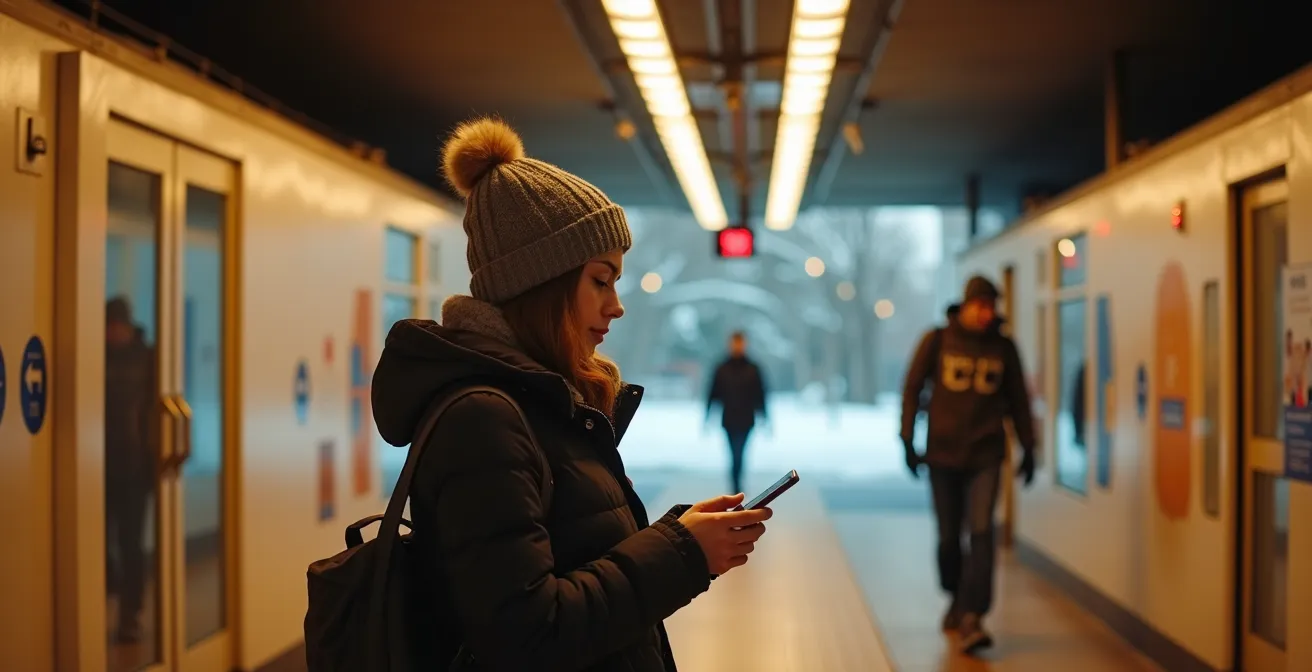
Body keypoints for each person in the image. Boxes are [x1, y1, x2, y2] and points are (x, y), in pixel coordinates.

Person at [371, 117, 773, 671]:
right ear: (542, 282)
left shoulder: (545, 404)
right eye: (600, 280)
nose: (616, 305)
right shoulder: (486, 421)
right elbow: (528, 633)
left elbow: (577, 558)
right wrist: (683, 555)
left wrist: (678, 534)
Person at [899, 275, 1037, 654]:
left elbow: (1019, 401)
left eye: (992, 307)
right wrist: (907, 439)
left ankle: (974, 615)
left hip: (985, 455)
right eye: (980, 305)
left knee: (980, 532)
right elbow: (912, 388)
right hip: (942, 454)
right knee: (948, 539)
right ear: (966, 304)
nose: (986, 313)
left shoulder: (1004, 347)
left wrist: (1030, 447)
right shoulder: (938, 340)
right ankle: (956, 596)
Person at [104, 296, 156, 642]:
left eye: (117, 327)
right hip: (101, 467)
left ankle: (130, 614)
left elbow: (155, 409)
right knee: (101, 542)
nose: (113, 334)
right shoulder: (97, 357)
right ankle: (111, 596)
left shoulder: (148, 358)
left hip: (136, 469)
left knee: (131, 543)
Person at [705, 331, 769, 495]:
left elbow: (760, 393)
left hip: (747, 419)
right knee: (734, 453)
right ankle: (735, 484)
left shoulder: (753, 368)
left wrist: (765, 416)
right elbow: (713, 393)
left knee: (740, 453)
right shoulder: (722, 368)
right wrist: (707, 416)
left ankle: (737, 483)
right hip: (729, 419)